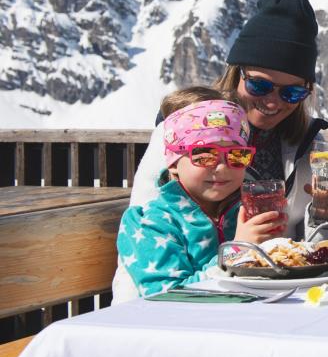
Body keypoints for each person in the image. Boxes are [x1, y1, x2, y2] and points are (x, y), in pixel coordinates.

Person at [112, 0, 328, 303]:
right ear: (236, 73)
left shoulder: (309, 143)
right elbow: (152, 241)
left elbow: (300, 250)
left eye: (292, 93)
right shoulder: (181, 130)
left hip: (259, 298)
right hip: (158, 315)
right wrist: (238, 252)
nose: (272, 101)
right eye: (259, 84)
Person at [116, 97, 281, 296]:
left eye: (237, 155)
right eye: (204, 155)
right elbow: (168, 296)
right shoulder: (152, 223)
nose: (221, 167)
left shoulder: (244, 211)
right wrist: (236, 251)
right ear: (174, 163)